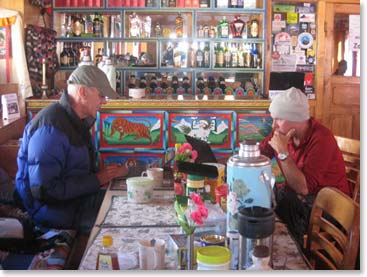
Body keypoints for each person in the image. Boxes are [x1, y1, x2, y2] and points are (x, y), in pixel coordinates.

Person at [14, 65, 128, 234]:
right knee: (120, 225)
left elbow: (77, 172)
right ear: (82, 92)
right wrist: (97, 179)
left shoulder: (75, 120)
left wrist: (107, 176)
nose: (104, 101)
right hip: (54, 213)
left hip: (75, 201)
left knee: (128, 203)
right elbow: (45, 191)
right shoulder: (51, 129)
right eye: (101, 95)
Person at [259, 87, 350, 246]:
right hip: (299, 202)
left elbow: (304, 188)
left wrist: (283, 153)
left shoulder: (322, 139)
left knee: (279, 201)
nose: (274, 124)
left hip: (328, 210)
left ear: (297, 119)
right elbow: (260, 153)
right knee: (266, 198)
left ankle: (294, 254)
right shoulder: (282, 132)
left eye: (279, 119)